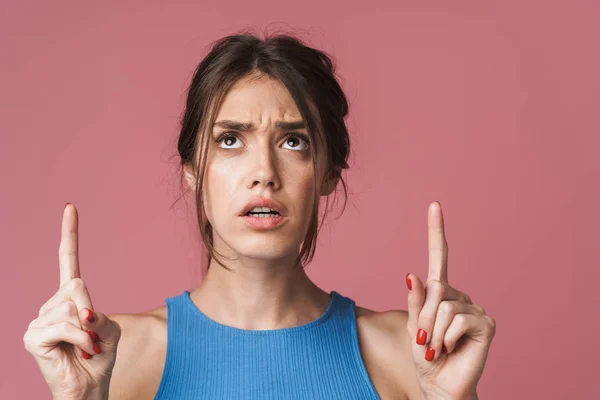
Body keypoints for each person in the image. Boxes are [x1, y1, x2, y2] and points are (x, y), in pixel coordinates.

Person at [23, 31, 496, 400]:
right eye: (230, 140)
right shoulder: (115, 355)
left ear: (330, 172)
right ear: (192, 170)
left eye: (295, 141)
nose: (264, 174)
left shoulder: (404, 353)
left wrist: (451, 397)